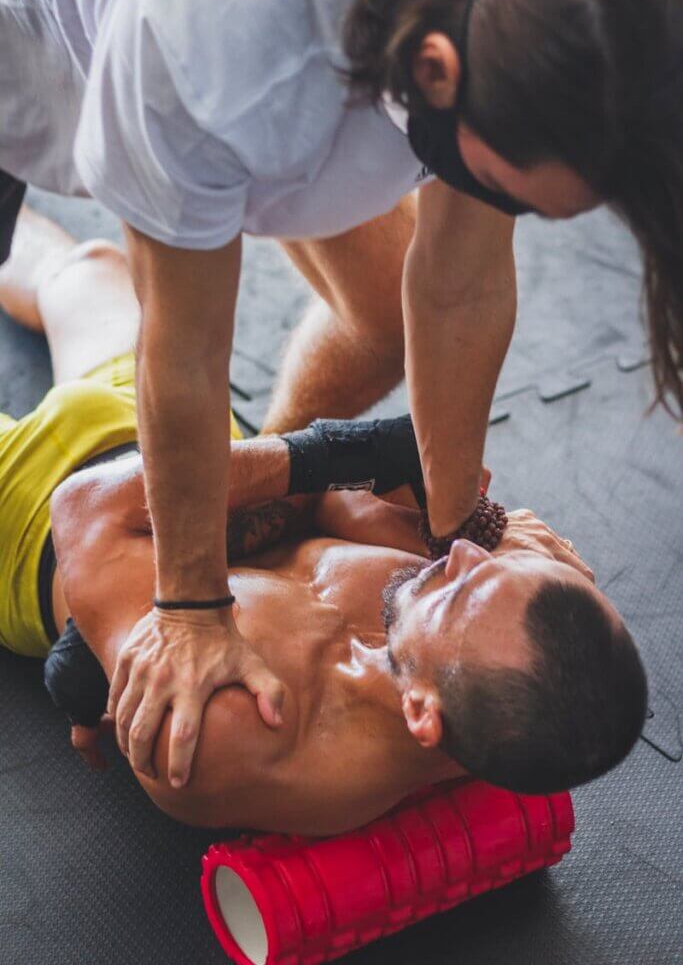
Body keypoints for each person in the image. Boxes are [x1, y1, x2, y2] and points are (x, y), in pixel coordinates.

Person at [0, 0, 677, 794]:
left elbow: (459, 288)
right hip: (55, 40)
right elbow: (185, 350)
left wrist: (454, 506)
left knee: (83, 278)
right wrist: (187, 603)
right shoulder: (211, 46)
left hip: (112, 464)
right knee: (119, 290)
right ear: (437, 71)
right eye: (516, 190)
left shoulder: (528, 12)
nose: (467, 563)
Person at [0, 210, 646, 834]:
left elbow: (87, 507)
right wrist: (501, 544)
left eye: (461, 588)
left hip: (29, 524)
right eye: (499, 567)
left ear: (420, 714)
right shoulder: (461, 656)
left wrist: (350, 453)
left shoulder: (232, 731)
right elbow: (330, 503)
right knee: (86, 269)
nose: (461, 555)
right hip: (176, 428)